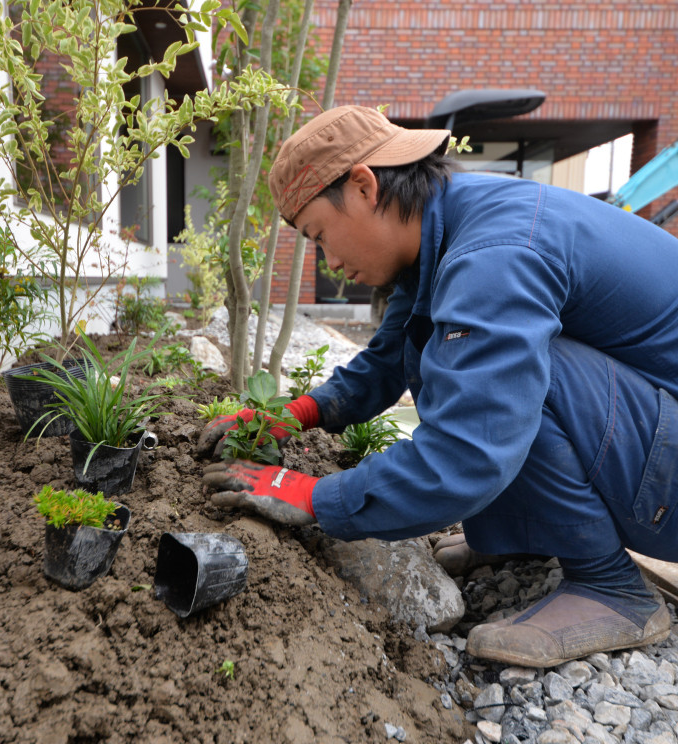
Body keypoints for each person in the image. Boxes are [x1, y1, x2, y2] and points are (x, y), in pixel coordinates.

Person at [200, 104, 678, 668]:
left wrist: (314, 496)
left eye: (320, 235)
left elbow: (472, 447)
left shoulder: (494, 255)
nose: (329, 262)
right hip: (656, 438)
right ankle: (531, 531)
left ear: (362, 187)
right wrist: (296, 414)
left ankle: (609, 588)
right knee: (459, 354)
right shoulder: (445, 225)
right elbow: (387, 357)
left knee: (514, 374)